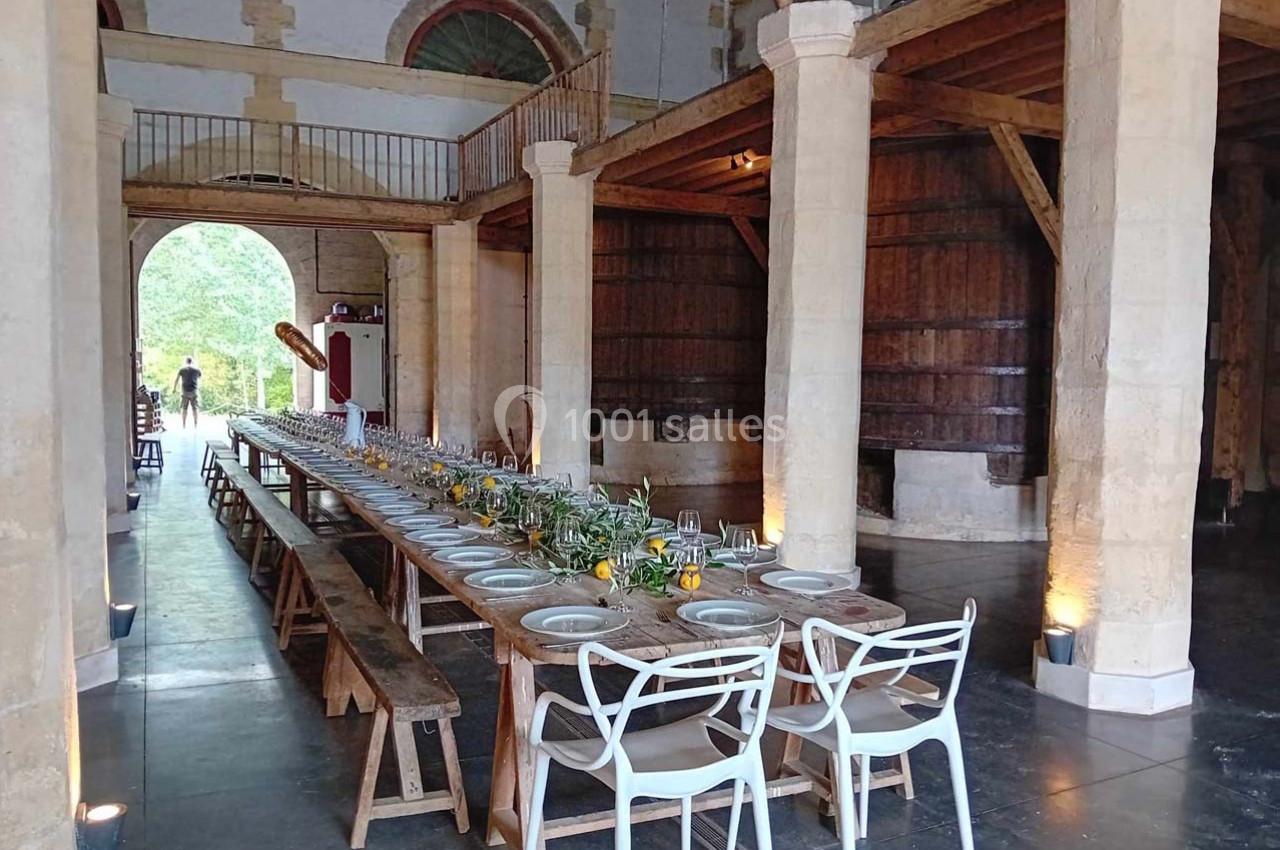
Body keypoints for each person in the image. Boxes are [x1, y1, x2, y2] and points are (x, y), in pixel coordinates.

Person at [172, 356, 202, 428]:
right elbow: (199, 378)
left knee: (184, 409)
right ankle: (195, 424)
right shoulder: (197, 370)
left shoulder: (182, 370)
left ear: (186, 362)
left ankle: (184, 424)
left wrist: (174, 389)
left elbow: (176, 380)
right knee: (195, 409)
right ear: (192, 362)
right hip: (194, 391)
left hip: (185, 391)